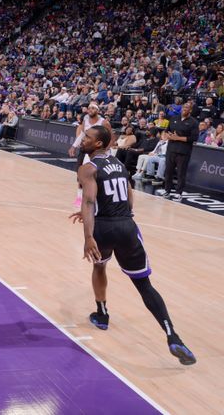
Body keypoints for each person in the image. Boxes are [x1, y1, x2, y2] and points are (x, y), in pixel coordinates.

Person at [70, 126, 195, 365]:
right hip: (127, 226)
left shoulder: (87, 168)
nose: (82, 139)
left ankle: (102, 314)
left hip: (103, 229)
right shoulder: (118, 164)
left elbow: (88, 200)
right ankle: (172, 335)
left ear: (98, 145)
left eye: (87, 137)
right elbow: (127, 194)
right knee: (144, 285)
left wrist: (88, 236)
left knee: (99, 267)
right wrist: (124, 217)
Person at [68, 103, 112, 207]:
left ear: (97, 110)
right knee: (81, 173)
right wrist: (74, 146)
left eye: (93, 108)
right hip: (87, 150)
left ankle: (101, 198)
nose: (90, 110)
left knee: (99, 175)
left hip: (99, 152)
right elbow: (82, 134)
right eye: (89, 108)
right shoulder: (86, 119)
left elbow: (110, 137)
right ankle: (79, 198)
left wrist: (106, 150)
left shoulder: (104, 122)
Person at [161, 102, 199, 201]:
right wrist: (166, 136)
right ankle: (167, 190)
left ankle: (178, 193)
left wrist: (178, 138)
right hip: (171, 149)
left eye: (187, 108)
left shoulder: (194, 122)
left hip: (183, 152)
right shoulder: (174, 118)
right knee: (168, 172)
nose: (185, 109)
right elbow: (166, 131)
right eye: (184, 107)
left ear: (190, 110)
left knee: (181, 174)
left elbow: (194, 138)